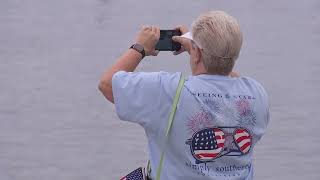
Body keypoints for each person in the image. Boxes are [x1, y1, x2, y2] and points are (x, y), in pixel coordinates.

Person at [99, 11, 269, 180]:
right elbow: (224, 73)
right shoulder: (256, 94)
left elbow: (107, 84)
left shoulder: (167, 91)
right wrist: (201, 51)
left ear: (197, 53)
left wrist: (139, 47)